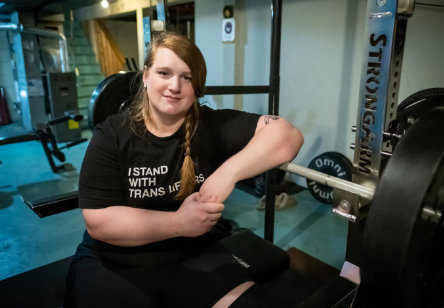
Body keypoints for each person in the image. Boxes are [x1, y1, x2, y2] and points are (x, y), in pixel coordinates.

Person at [64, 32, 303, 308]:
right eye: (164, 73)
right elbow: (99, 222)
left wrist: (227, 174)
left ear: (196, 85)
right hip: (116, 262)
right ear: (145, 76)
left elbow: (288, 136)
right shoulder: (112, 135)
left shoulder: (210, 125)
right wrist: (179, 223)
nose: (175, 86)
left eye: (186, 77)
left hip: (193, 253)